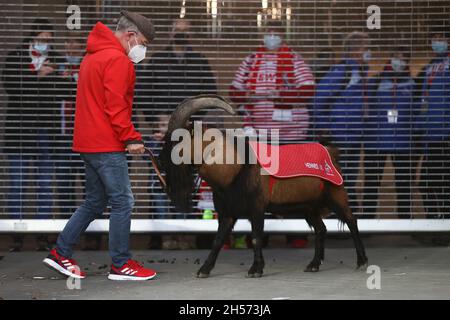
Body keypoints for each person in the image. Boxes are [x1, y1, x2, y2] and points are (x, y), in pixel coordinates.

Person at [42, 10, 157, 281]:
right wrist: (131, 138)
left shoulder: (92, 56)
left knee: (95, 202)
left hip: (88, 142)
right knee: (123, 201)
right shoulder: (118, 61)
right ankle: (121, 264)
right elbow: (115, 107)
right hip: (107, 144)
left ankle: (60, 252)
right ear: (130, 36)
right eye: (142, 43)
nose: (142, 50)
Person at [229, 20, 315, 248]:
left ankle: (296, 234)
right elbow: (235, 91)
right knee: (258, 184)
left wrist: (278, 96)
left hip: (292, 135)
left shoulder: (294, 60)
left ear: (283, 37)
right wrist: (251, 100)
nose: (272, 37)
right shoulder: (251, 60)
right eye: (269, 33)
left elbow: (307, 90)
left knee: (293, 182)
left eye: (276, 34)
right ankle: (258, 235)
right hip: (260, 135)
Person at [136, 18, 217, 249]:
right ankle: (165, 234)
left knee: (188, 183)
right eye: (177, 30)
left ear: (190, 34)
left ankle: (183, 234)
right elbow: (143, 94)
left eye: (185, 31)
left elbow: (210, 96)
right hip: (162, 134)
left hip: (191, 134)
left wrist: (194, 120)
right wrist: (156, 121)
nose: (181, 34)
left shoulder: (200, 62)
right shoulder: (158, 61)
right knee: (160, 183)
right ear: (170, 33)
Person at [2, 18, 64, 252]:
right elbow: (10, 86)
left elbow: (62, 88)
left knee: (45, 183)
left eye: (48, 39)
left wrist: (51, 75)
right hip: (20, 130)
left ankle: (43, 233)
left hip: (47, 129)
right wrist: (37, 76)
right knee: (18, 182)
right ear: (32, 37)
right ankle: (16, 233)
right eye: (41, 39)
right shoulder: (16, 56)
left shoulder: (56, 58)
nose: (45, 43)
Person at [313, 31, 371, 214]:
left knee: (348, 179)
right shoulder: (343, 71)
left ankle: (345, 215)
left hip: (353, 136)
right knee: (340, 179)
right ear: (355, 51)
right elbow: (318, 100)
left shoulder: (359, 72)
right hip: (341, 136)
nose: (370, 53)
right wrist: (325, 127)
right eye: (366, 49)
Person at [363, 46, 417, 219]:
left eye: (402, 58)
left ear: (407, 62)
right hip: (375, 140)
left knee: (404, 184)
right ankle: (367, 220)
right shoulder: (375, 82)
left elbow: (417, 112)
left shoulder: (414, 84)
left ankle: (405, 219)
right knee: (372, 183)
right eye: (395, 57)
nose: (398, 61)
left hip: (403, 141)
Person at [415, 21, 450, 219]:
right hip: (430, 135)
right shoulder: (430, 66)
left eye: (441, 38)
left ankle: (443, 224)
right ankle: (434, 221)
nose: (437, 42)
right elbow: (424, 99)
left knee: (441, 183)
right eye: (434, 39)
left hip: (444, 134)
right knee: (427, 184)